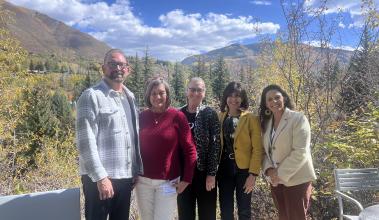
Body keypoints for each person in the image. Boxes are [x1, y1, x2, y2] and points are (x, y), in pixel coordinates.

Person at [76, 48, 143, 220]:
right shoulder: (91, 96)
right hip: (100, 179)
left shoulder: (130, 97)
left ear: (127, 70)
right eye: (113, 64)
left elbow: (132, 137)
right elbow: (85, 141)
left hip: (125, 176)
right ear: (104, 68)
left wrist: (135, 169)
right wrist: (101, 177)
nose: (118, 68)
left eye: (122, 65)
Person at [136, 77, 197, 220]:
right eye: (153, 93)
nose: (157, 96)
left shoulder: (177, 117)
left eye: (161, 93)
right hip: (142, 182)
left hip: (168, 183)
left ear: (167, 95)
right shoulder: (141, 117)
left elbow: (190, 149)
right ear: (148, 96)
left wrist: (186, 179)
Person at [259, 84, 316, 220]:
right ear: (266, 104)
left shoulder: (298, 119)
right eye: (270, 99)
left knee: (297, 217)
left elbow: (301, 152)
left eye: (277, 97)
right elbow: (264, 151)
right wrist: (269, 170)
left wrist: (279, 174)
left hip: (297, 180)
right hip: (276, 182)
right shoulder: (266, 124)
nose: (274, 102)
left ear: (284, 98)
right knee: (283, 217)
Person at [217, 81, 263, 220]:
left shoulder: (251, 119)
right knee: (226, 211)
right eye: (230, 95)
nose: (233, 99)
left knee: (244, 211)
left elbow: (257, 148)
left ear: (242, 98)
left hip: (244, 171)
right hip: (224, 169)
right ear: (226, 97)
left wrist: (253, 175)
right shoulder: (219, 117)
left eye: (237, 95)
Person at [177, 77, 221, 220]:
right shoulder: (178, 114)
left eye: (199, 90)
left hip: (204, 174)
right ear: (187, 91)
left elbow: (215, 145)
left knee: (207, 215)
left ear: (204, 93)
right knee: (185, 214)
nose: (195, 93)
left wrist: (211, 174)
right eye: (192, 89)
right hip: (183, 175)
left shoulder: (209, 114)